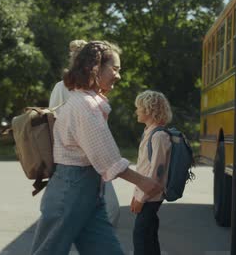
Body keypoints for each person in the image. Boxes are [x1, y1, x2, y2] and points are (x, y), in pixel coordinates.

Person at [31, 41, 162, 255]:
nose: (118, 76)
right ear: (95, 68)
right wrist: (144, 182)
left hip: (84, 192)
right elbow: (107, 158)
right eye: (115, 69)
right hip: (71, 193)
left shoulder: (86, 102)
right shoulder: (86, 106)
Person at [49, 39, 121, 227]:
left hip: (87, 168)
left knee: (99, 223)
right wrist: (143, 182)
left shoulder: (91, 93)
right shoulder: (79, 98)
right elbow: (59, 122)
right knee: (109, 212)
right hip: (79, 164)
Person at [131, 90, 173, 255]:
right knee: (149, 234)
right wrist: (137, 194)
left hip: (151, 195)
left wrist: (141, 198)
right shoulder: (150, 133)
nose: (137, 111)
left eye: (139, 108)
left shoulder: (159, 136)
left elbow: (156, 172)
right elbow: (144, 168)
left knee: (140, 236)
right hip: (148, 193)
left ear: (149, 110)